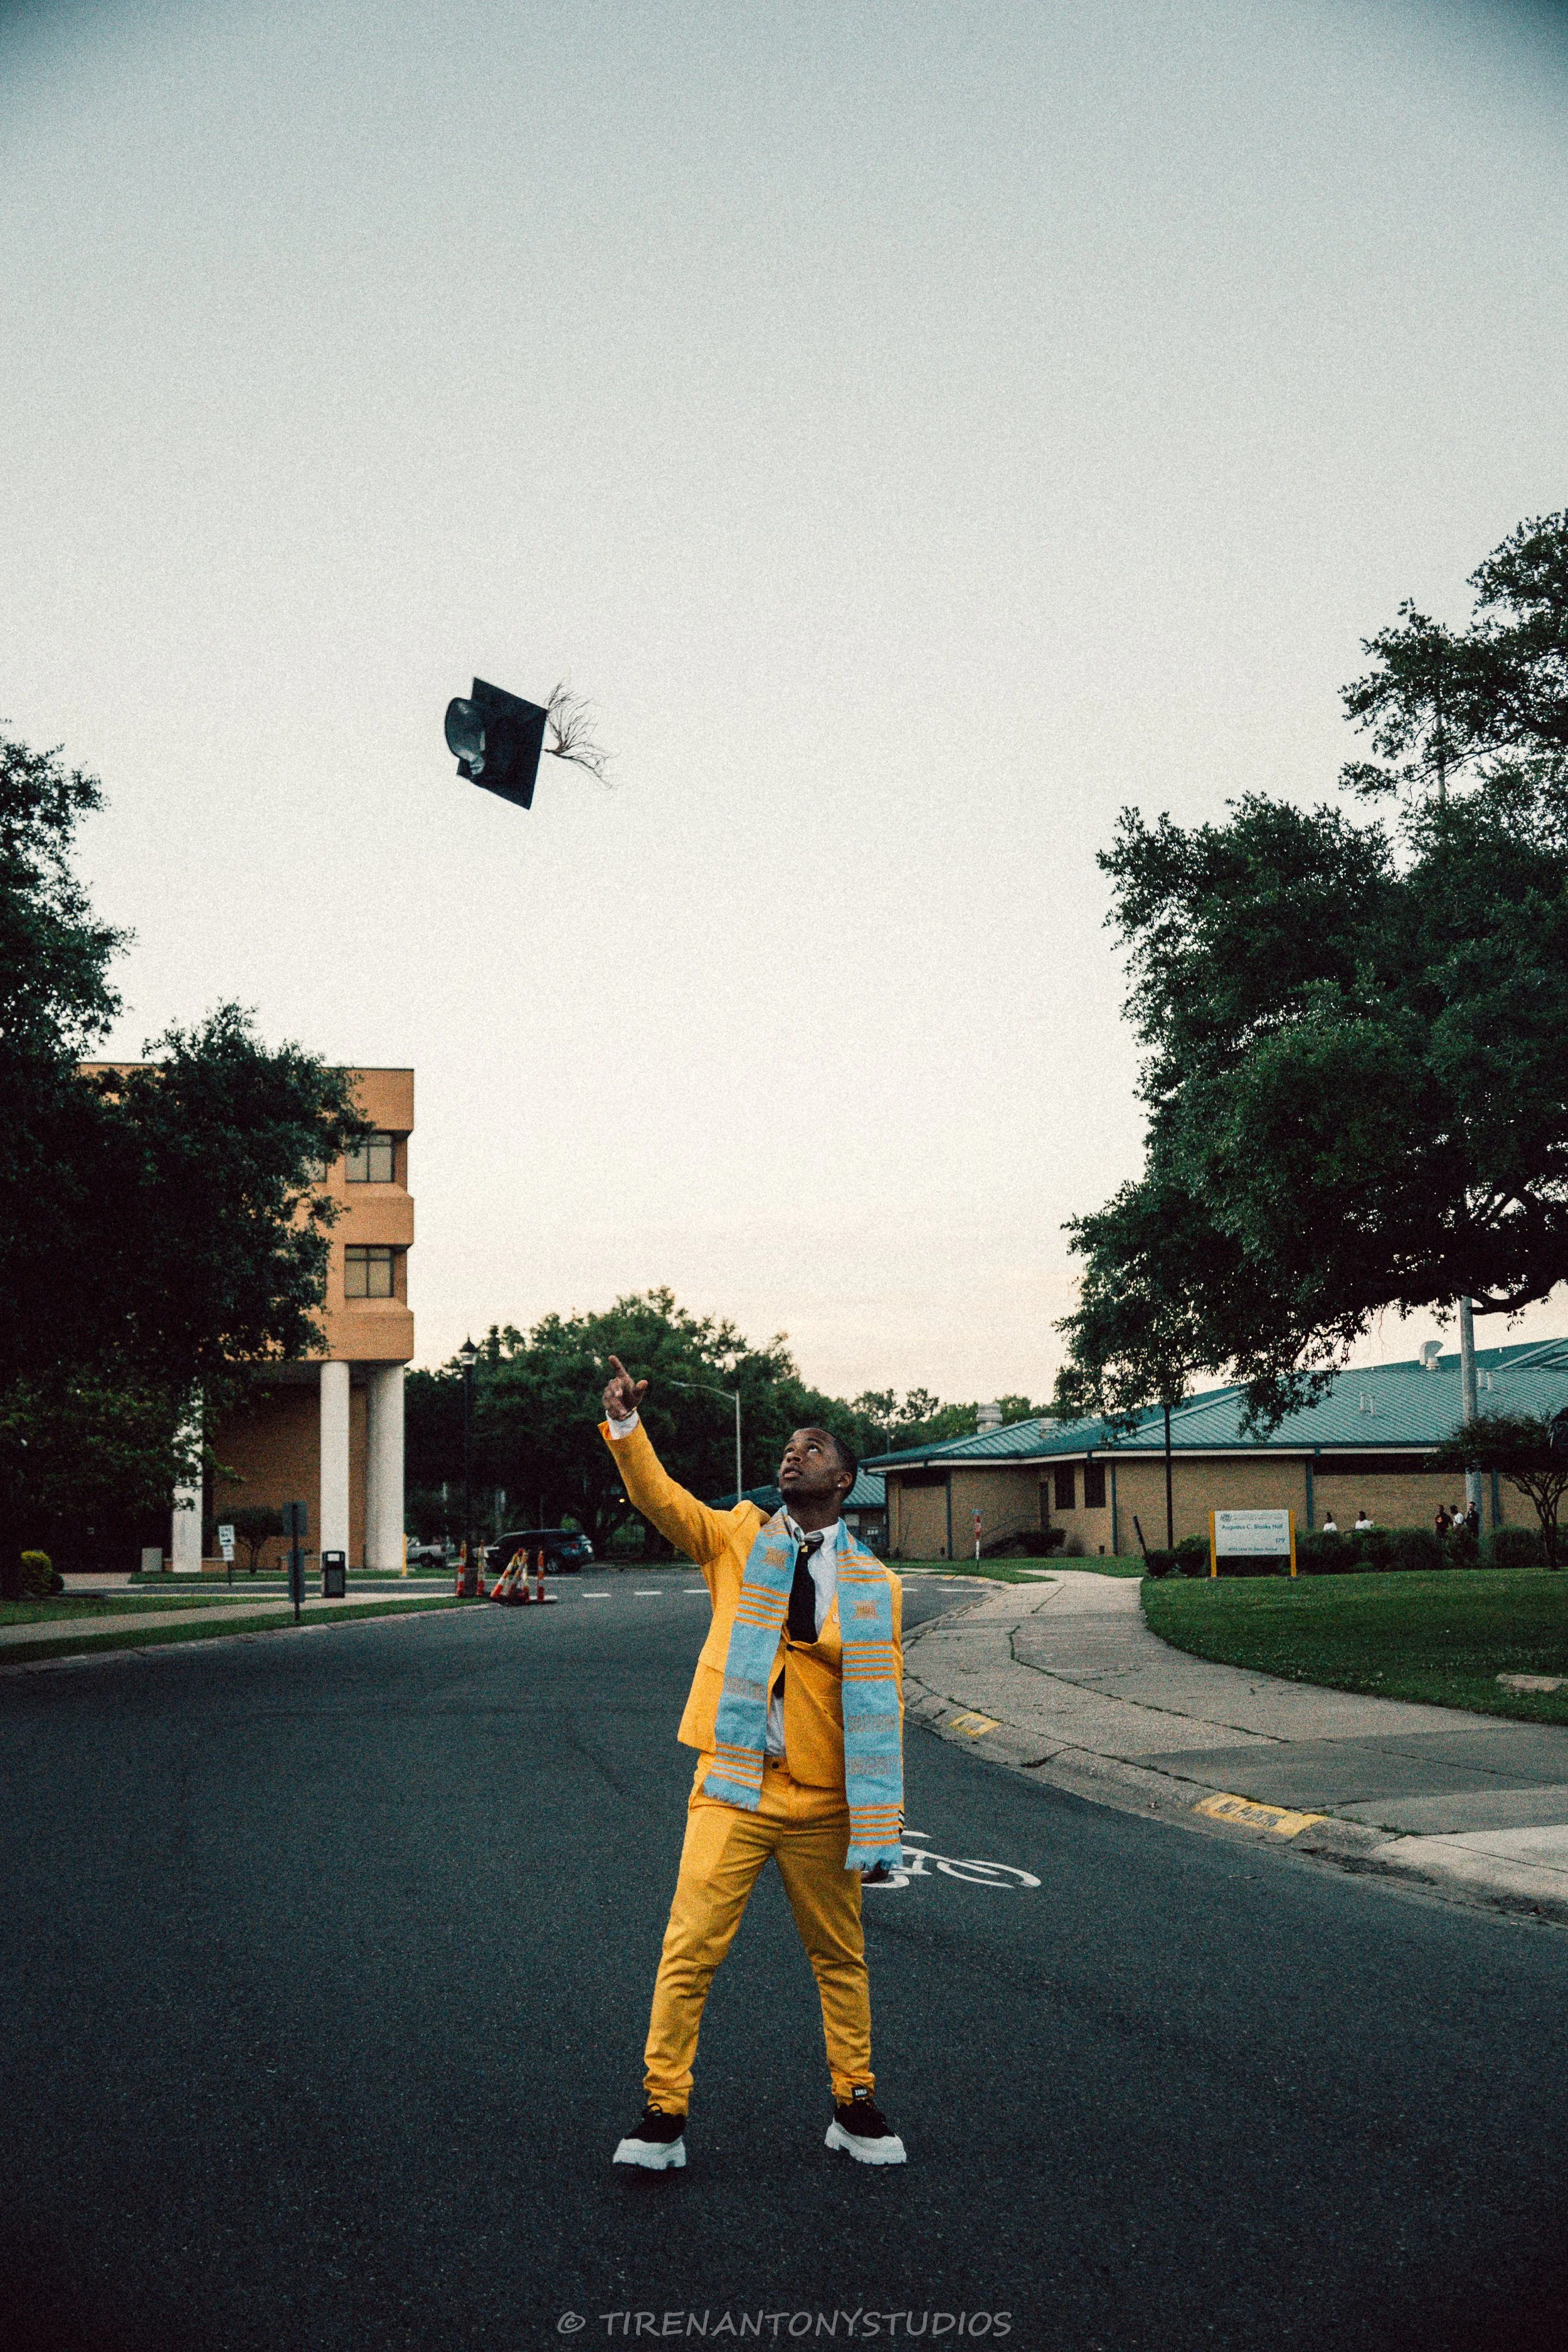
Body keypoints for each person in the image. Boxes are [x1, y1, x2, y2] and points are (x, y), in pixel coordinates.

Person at [599, 1354, 907, 2173]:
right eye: (788, 1447)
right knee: (689, 1945)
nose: (792, 1454)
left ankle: (855, 2102)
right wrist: (628, 1427)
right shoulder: (738, 1535)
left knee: (840, 1958)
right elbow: (661, 1501)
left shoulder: (875, 1583)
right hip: (735, 1780)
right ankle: (663, 2111)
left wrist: (880, 1817)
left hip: (825, 1796)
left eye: (812, 1448)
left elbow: (881, 1710)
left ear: (845, 1478)